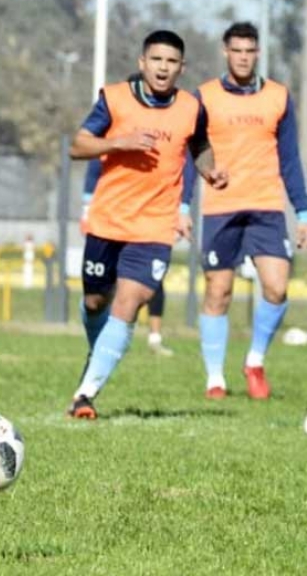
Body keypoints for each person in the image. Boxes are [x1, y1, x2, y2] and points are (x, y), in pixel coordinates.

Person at [67, 30, 228, 420]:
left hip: (155, 226)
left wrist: (209, 172)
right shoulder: (114, 98)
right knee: (95, 302)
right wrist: (119, 142)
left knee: (130, 301)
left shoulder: (191, 107)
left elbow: (199, 146)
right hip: (108, 220)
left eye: (171, 62)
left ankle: (84, 395)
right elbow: (78, 146)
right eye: (156, 60)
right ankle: (99, 349)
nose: (163, 68)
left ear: (181, 67)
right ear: (143, 63)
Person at [182, 21, 307, 401]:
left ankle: (254, 360)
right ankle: (215, 379)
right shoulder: (203, 97)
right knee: (218, 291)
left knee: (276, 287)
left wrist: (302, 213)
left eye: (249, 51)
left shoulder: (278, 97)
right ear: (225, 51)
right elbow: (191, 155)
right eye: (236, 50)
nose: (243, 57)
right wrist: (183, 204)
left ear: (258, 53)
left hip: (267, 206)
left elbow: (290, 159)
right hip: (221, 208)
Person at [82, 156, 173, 356]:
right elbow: (95, 165)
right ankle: (108, 335)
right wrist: (86, 210)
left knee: (149, 284)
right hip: (112, 220)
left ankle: (153, 338)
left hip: (148, 219)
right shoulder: (116, 132)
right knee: (101, 293)